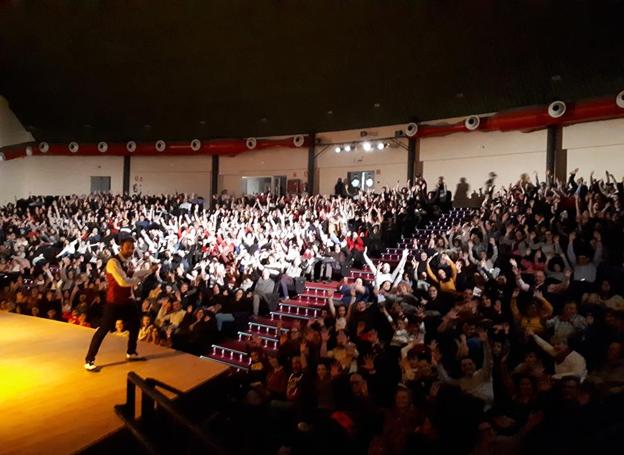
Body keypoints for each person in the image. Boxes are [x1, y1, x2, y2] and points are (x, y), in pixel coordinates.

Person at [84, 237, 149, 371]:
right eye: (128, 247)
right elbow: (123, 281)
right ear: (121, 247)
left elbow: (132, 274)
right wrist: (138, 279)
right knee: (104, 329)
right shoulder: (113, 262)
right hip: (114, 302)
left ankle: (131, 352)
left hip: (127, 300)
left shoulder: (126, 262)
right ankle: (89, 360)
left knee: (136, 324)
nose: (131, 250)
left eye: (132, 247)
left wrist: (149, 271)